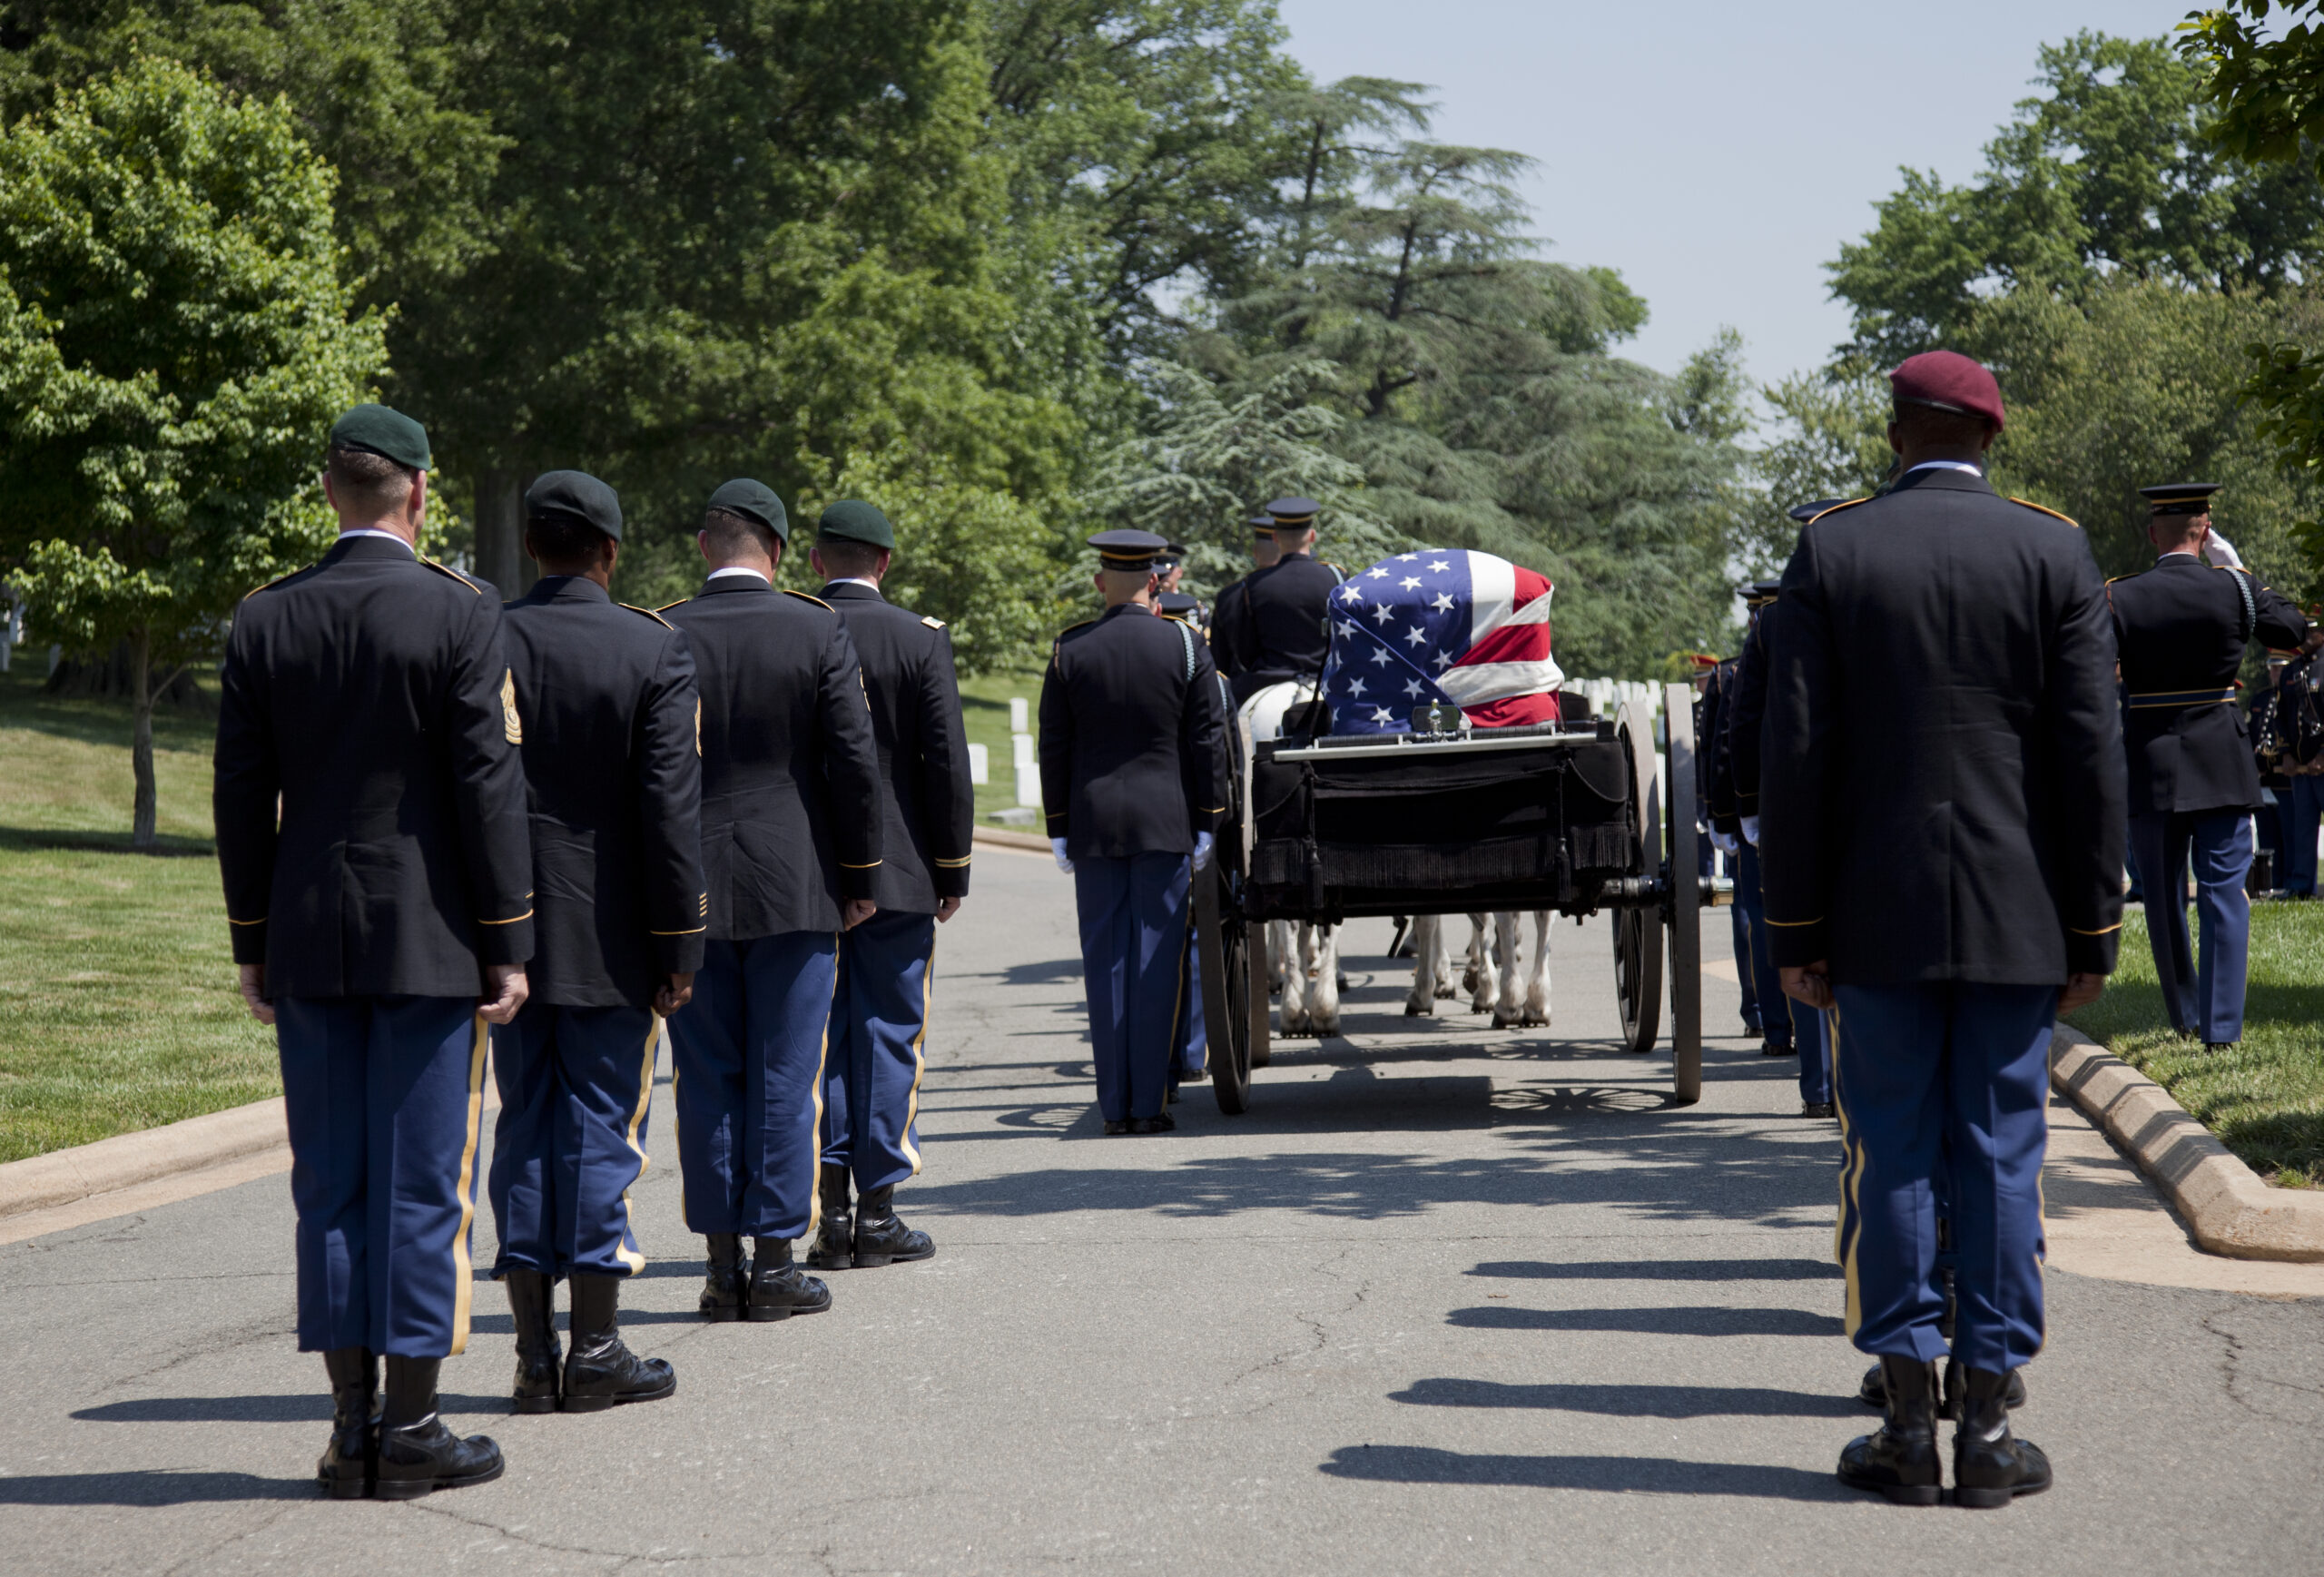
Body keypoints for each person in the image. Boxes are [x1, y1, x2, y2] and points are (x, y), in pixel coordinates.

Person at [1761, 350, 2124, 1508]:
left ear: (1896, 433)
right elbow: (2086, 755)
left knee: (1892, 1151)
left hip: (1874, 912)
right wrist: (2092, 928)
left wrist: (1796, 927)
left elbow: (1798, 753)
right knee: (2002, 1152)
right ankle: (1989, 1429)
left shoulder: (1834, 546)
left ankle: (1906, 1424)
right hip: (2022, 914)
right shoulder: (2053, 548)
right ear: (1990, 438)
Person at [214, 404, 531, 1499]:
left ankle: (351, 1429)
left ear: (330, 494)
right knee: (422, 1187)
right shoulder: (458, 610)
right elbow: (488, 786)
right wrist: (508, 941)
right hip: (430, 939)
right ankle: (416, 1426)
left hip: (306, 934)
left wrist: (251, 941)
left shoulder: (264, 618)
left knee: (331, 1184)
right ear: (420, 493)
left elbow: (241, 797)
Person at [490, 470, 704, 1415]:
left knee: (526, 1127)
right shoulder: (649, 648)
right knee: (599, 1136)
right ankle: (597, 1348)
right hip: (613, 933)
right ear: (610, 552)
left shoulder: (482, 635)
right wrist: (680, 945)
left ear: (532, 544)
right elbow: (667, 811)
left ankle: (536, 1360)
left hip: (507, 931)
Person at [660, 479, 883, 1323]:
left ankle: (722, 1268)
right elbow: (853, 763)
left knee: (707, 1074)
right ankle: (778, 1261)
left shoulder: (665, 627)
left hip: (693, 890)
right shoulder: (815, 626)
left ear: (704, 545)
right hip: (795, 883)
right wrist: (860, 876)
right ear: (780, 550)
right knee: (788, 1075)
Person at [799, 499, 970, 1273]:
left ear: (815, 561)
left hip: (810, 872)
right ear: (886, 563)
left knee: (823, 1037)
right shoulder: (917, 638)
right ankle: (879, 1212)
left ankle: (830, 1213)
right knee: (888, 1034)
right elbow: (945, 763)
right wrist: (952, 866)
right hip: (900, 872)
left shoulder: (794, 627)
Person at [1039, 529, 1227, 1134]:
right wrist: (1209, 820)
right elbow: (1206, 742)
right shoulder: (1188, 647)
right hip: (1165, 821)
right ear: (1154, 581)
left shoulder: (1070, 650)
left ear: (1100, 582)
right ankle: (1148, 1104)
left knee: (1105, 965)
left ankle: (1114, 1105)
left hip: (1093, 825)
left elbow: (1055, 748)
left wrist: (1058, 829)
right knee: (1156, 962)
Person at [2108, 484, 2306, 1047]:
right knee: (2222, 891)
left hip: (2150, 759)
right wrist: (2237, 568)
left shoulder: (2121, 596)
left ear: (2152, 534)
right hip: (2220, 757)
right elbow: (2292, 630)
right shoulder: (2235, 589)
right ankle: (2222, 1029)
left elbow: (2091, 668)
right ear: (2206, 529)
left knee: (2164, 900)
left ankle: (2187, 1016)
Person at [1226, 498, 1342, 704]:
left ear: (1275, 538)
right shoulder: (1335, 578)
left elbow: (1245, 651)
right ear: (1312, 536)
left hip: (1267, 682)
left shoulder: (1253, 584)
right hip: (1327, 682)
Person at [2275, 617, 2324, 897]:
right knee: (2302, 829)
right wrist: (2285, 754)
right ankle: (2301, 886)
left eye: (2312, 629)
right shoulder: (2291, 671)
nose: (2306, 636)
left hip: (2322, 763)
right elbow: (2281, 718)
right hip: (2301, 767)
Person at [1208, 513, 1280, 683]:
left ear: (1255, 552)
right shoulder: (1301, 587)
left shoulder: (1228, 596)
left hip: (1246, 686)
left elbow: (1220, 662)